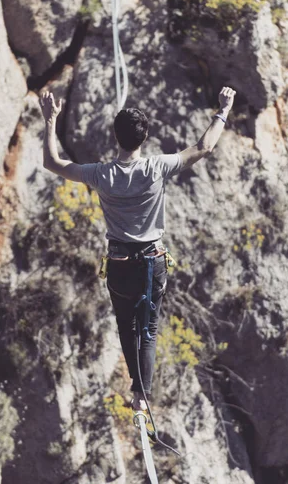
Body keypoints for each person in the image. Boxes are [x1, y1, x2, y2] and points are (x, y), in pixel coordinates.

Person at [39, 87, 236, 411]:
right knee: (149, 329)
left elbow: (52, 162)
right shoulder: (156, 168)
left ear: (116, 137)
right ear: (144, 139)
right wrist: (223, 109)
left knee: (125, 325)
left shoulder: (100, 174)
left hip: (119, 264)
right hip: (151, 263)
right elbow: (205, 146)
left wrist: (51, 121)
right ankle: (142, 395)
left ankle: (137, 390)